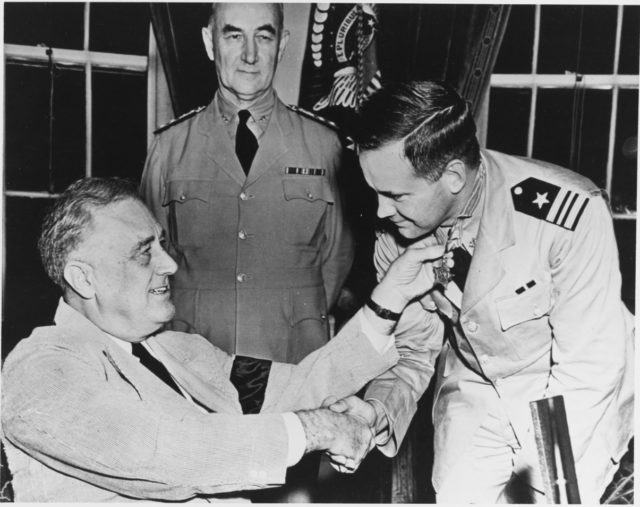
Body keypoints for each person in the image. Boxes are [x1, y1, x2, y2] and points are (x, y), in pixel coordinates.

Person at [1, 177, 442, 502]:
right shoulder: (41, 367)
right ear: (83, 278)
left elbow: (293, 390)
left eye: (162, 243)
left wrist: (390, 299)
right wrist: (318, 429)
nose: (170, 265)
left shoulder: (177, 350)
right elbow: (167, 452)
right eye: (143, 252)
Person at [327, 80, 634, 503]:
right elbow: (414, 349)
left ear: (453, 176)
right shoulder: (398, 229)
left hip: (566, 395)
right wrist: (376, 410)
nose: (380, 211)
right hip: (475, 383)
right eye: (375, 192)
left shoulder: (568, 216)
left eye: (395, 195)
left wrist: (545, 480)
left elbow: (587, 370)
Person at [140, 3, 353, 365]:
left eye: (264, 36)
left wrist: (297, 315)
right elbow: (148, 258)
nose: (250, 54)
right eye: (234, 35)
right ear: (210, 43)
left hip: (293, 359)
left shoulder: (324, 145)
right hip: (193, 361)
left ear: (282, 45)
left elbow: (337, 256)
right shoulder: (169, 147)